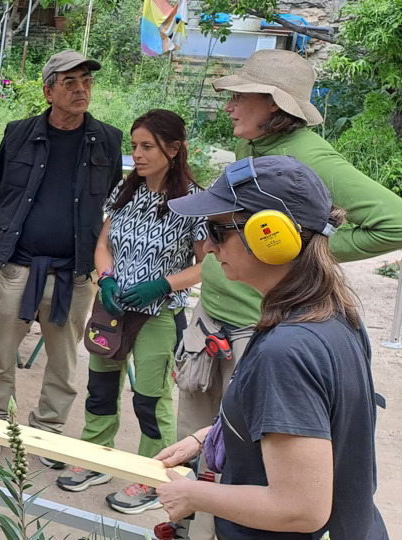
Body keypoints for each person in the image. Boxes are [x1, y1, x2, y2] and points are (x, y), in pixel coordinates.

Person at [176, 48, 402, 539]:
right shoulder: (332, 315)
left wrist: (304, 247)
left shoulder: (309, 157)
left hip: (260, 332)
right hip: (250, 319)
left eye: (242, 95)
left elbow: (394, 221)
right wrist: (208, 437)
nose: (230, 105)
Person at [155, 155, 387, 540]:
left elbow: (300, 510)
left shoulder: (287, 350)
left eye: (216, 230)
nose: (209, 248)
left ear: (270, 235)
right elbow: (308, 422)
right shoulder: (330, 313)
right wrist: (207, 437)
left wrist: (195, 493)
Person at [54, 110, 205, 514]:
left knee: (151, 398)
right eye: (134, 146)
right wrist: (105, 278)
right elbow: (104, 242)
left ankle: (154, 475)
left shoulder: (194, 199)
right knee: (100, 385)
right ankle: (95, 457)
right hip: (113, 307)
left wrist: (164, 283)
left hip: (159, 313)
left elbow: (209, 262)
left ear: (173, 149)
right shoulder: (127, 189)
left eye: (147, 147)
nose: (136, 154)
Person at [0, 50, 123, 461]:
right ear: (48, 90)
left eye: (87, 82)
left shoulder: (108, 139)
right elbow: (1, 190)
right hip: (20, 266)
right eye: (70, 82)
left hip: (74, 273)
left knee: (63, 360)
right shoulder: (18, 132)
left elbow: (109, 201)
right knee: (0, 355)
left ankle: (49, 431)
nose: (81, 89)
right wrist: (8, 237)